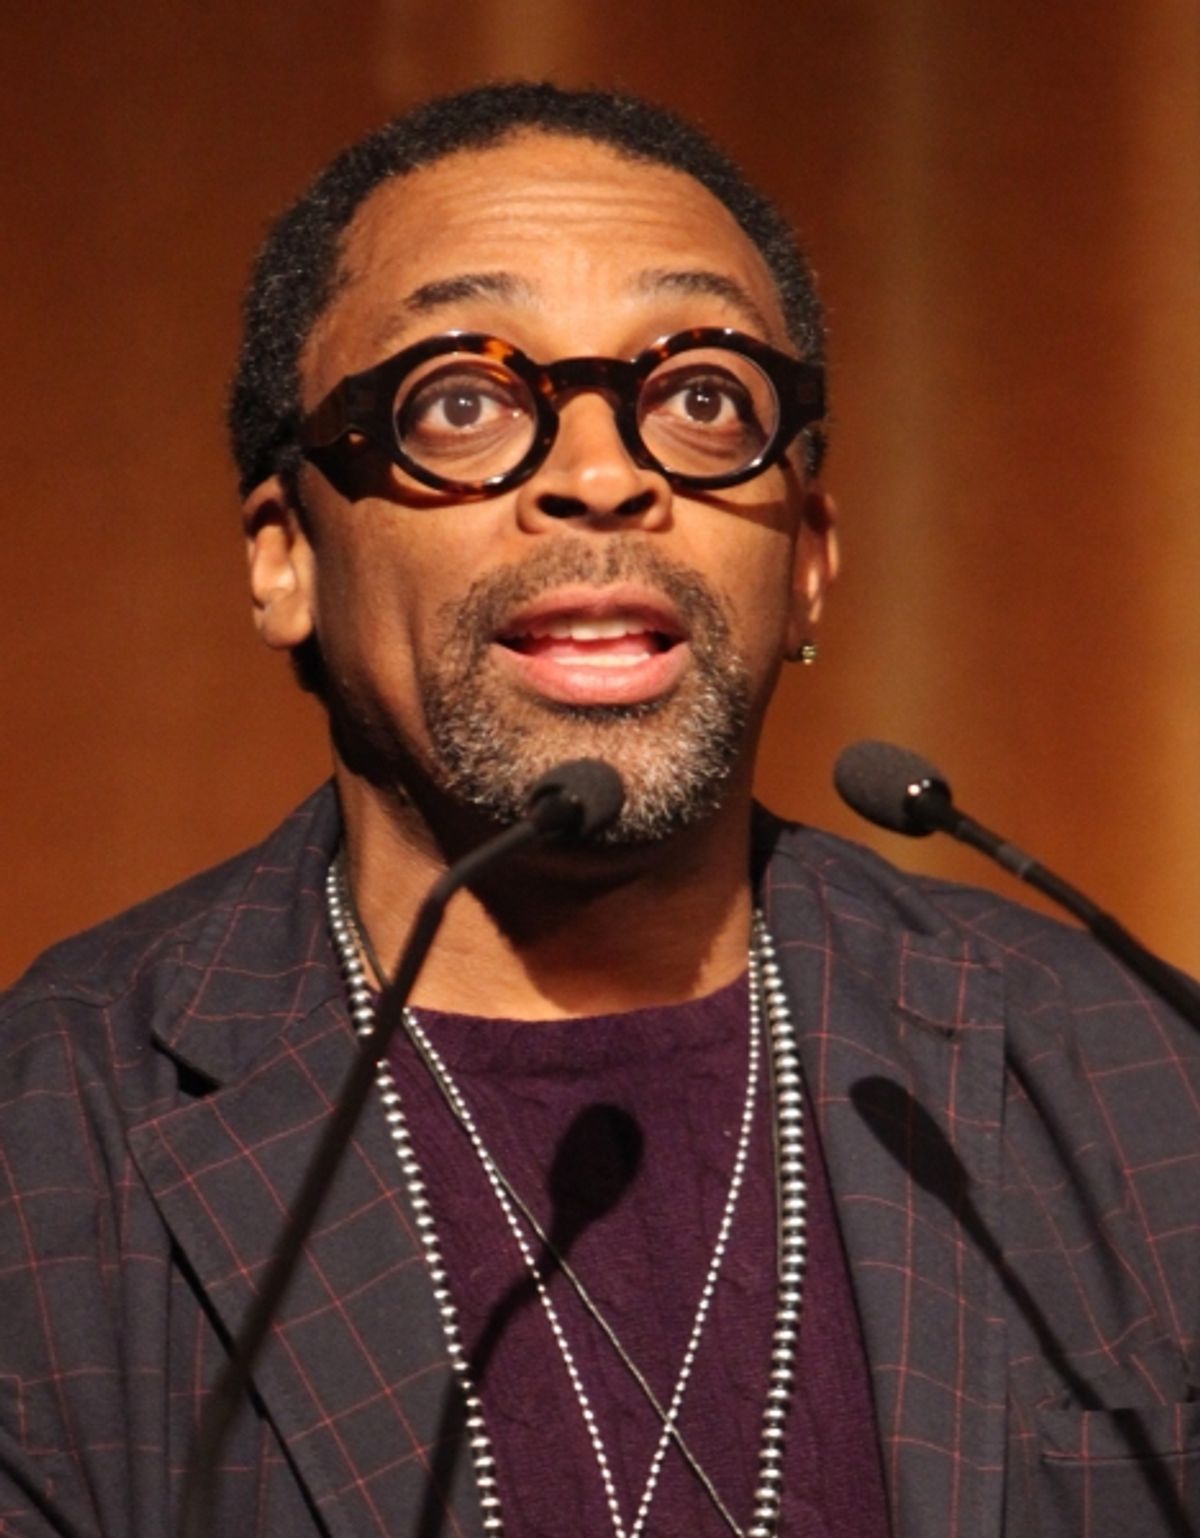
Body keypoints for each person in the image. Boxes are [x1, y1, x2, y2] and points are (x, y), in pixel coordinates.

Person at [0, 81, 1196, 1538]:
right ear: (284, 557)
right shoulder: (50, 1144)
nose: (603, 475)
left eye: (701, 397)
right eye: (460, 401)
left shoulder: (1138, 1083)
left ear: (809, 559)